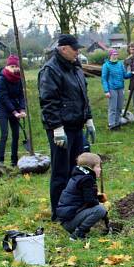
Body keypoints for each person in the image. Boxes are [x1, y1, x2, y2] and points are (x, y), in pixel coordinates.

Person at [38, 34, 96, 220]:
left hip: (76, 125)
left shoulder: (76, 68)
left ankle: (76, 206)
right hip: (61, 129)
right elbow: (48, 101)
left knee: (79, 168)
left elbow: (83, 96)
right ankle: (59, 212)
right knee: (61, 171)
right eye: (75, 49)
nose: (78, 52)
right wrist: (56, 128)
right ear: (63, 49)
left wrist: (88, 119)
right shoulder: (51, 70)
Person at [55, 152, 108, 241]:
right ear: (90, 168)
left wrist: (98, 197)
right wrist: (100, 202)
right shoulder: (87, 180)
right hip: (70, 221)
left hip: (66, 219)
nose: (100, 169)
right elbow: (90, 201)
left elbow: (83, 198)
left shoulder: (79, 176)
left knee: (98, 208)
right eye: (98, 167)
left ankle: (86, 229)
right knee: (100, 210)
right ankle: (78, 234)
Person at [0, 54, 26, 167]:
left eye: (15, 66)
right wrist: (14, 112)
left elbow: (21, 95)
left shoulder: (19, 79)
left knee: (16, 135)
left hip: (15, 109)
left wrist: (22, 109)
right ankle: (0, 161)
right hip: (3, 108)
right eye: (11, 66)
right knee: (4, 134)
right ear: (7, 67)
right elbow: (4, 97)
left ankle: (14, 161)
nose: (14, 68)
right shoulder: (1, 79)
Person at [101, 49, 132, 130]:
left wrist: (132, 73)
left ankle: (117, 123)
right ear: (110, 55)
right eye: (114, 54)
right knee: (113, 107)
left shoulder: (120, 64)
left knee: (119, 107)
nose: (115, 56)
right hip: (112, 89)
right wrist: (106, 91)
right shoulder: (106, 65)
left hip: (120, 88)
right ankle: (111, 124)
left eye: (116, 54)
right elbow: (104, 79)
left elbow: (125, 75)